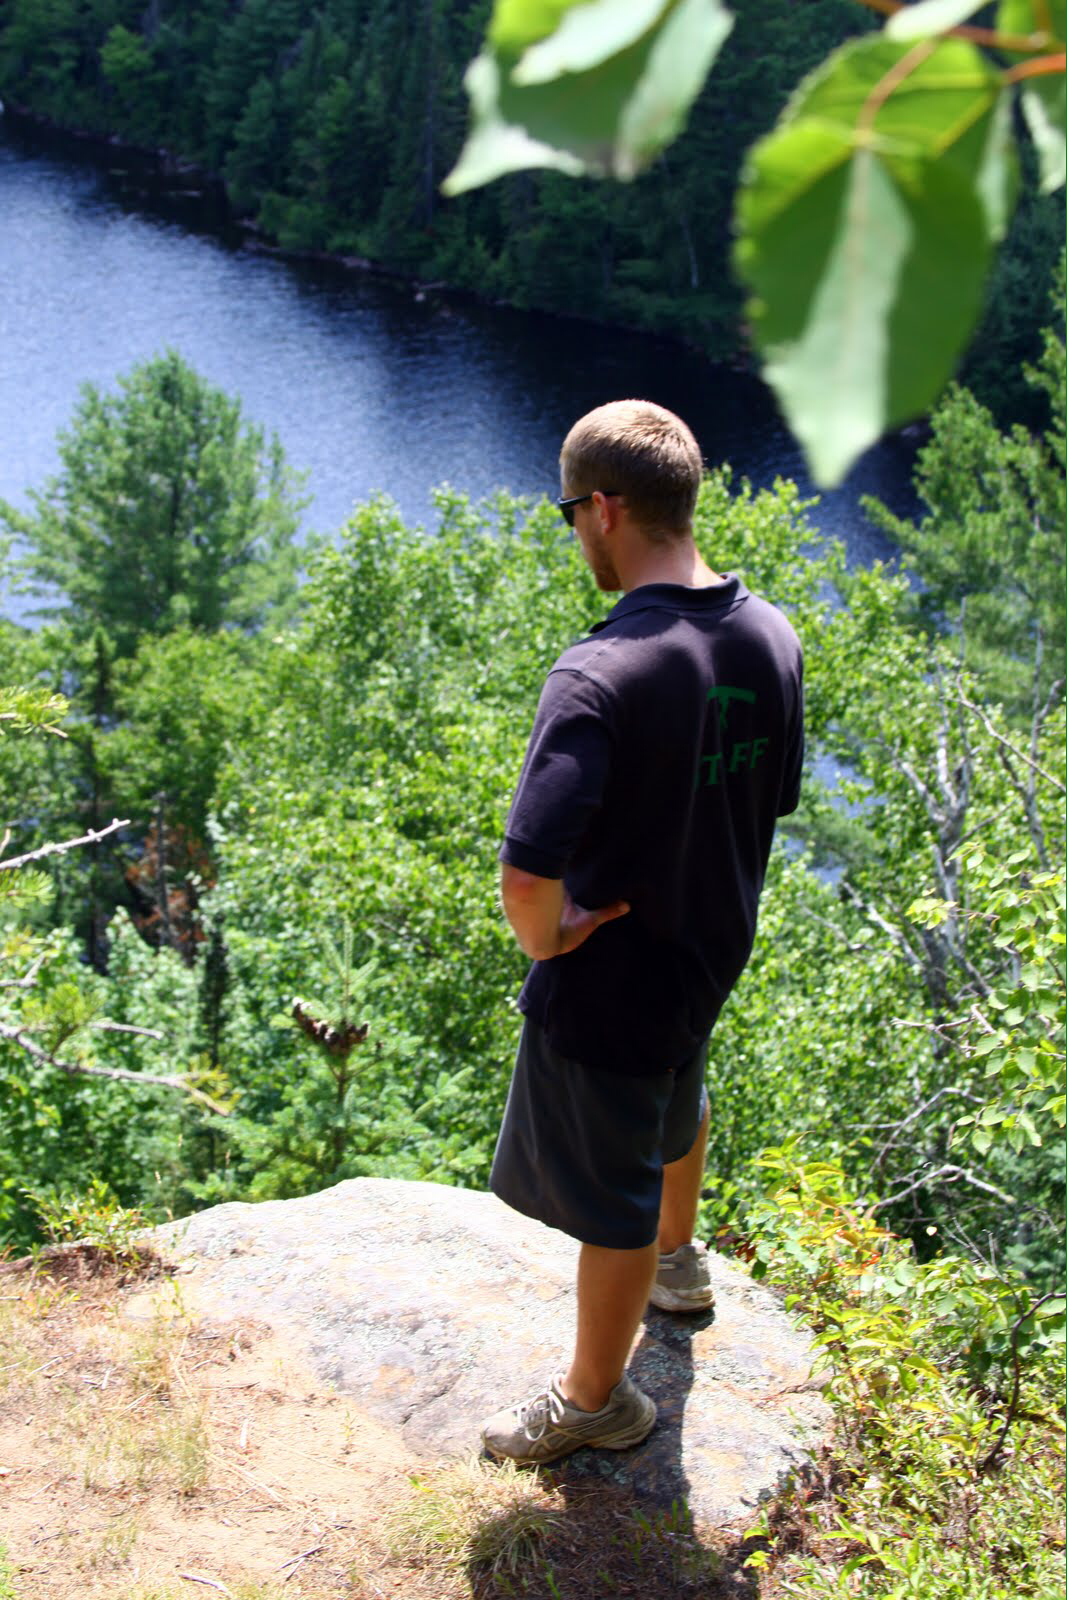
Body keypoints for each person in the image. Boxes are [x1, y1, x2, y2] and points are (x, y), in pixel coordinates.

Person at [480, 400, 804, 1466]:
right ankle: (678, 1260)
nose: (576, 530)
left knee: (607, 1194)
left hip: (610, 977)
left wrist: (550, 939)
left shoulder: (599, 673)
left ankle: (594, 1403)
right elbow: (767, 797)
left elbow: (527, 873)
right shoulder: (769, 635)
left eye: (570, 512)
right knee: (675, 1094)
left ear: (605, 508)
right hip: (706, 951)